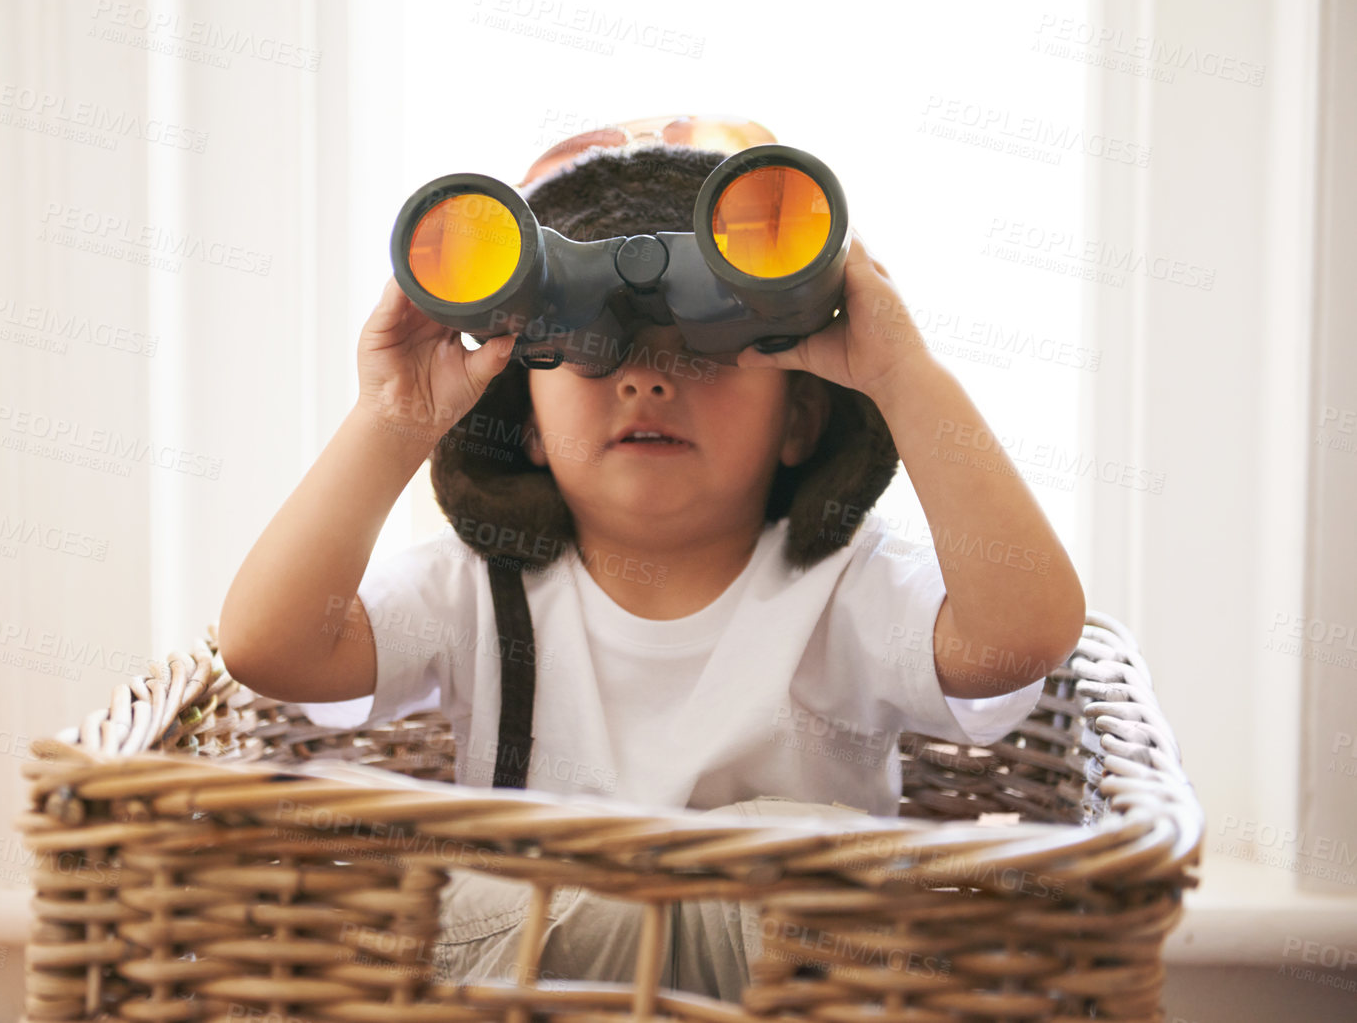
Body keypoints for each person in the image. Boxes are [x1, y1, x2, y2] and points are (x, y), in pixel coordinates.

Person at [216, 132, 1085, 1002]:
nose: (645, 381)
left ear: (800, 421)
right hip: (537, 979)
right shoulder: (479, 583)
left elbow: (1023, 636)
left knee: (790, 854)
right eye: (591, 352)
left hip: (774, 978)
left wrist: (902, 373)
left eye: (701, 351)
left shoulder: (847, 586)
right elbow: (269, 646)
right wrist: (393, 416)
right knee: (482, 893)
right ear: (523, 420)